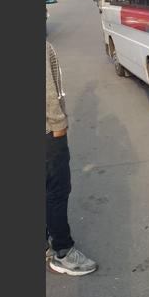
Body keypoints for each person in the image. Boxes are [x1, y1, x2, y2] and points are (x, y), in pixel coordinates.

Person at [46, 40, 98, 276]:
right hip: (48, 132)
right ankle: (63, 251)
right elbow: (47, 88)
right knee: (57, 191)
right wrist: (58, 123)